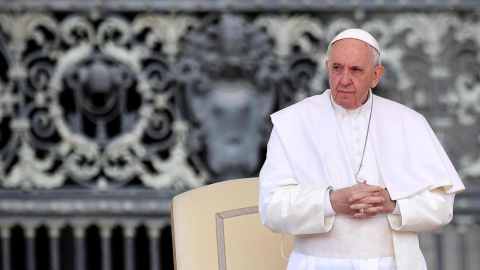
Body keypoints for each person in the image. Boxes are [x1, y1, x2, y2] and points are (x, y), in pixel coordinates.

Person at [258, 29, 465, 270]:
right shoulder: (292, 122)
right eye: (337, 68)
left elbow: (441, 207)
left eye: (356, 70)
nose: (344, 79)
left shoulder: (409, 122)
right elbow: (271, 208)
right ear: (327, 67)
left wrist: (392, 203)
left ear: (376, 75)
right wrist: (331, 201)